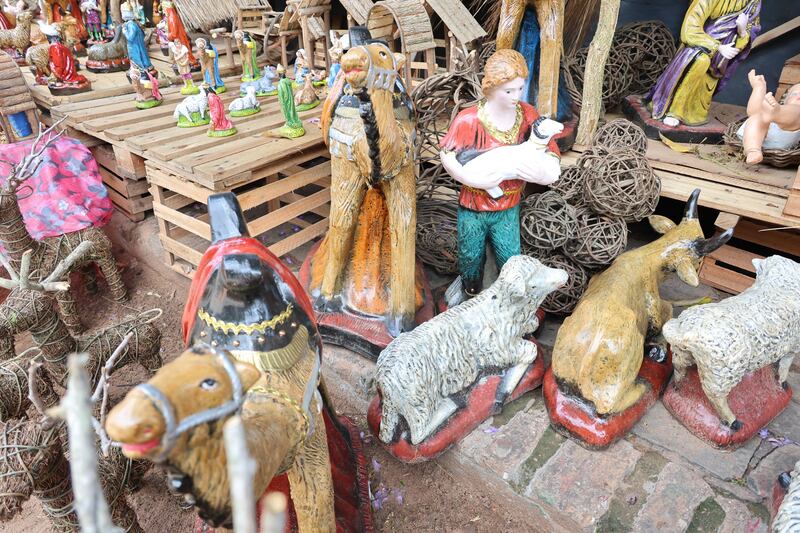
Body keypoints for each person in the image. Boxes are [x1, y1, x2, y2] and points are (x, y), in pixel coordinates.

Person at [439, 49, 561, 296]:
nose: (517, 96)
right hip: (473, 205)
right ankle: (470, 293)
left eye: (520, 88)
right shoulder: (469, 120)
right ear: (491, 88)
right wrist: (469, 177)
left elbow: (550, 152)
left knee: (510, 254)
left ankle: (507, 298)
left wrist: (543, 174)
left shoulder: (528, 115)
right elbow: (447, 154)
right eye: (508, 91)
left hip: (508, 206)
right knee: (470, 254)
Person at [648, 0, 761, 127]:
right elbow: (689, 29)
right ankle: (674, 111)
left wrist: (742, 32)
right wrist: (717, 47)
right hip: (700, 48)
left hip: (719, 61)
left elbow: (752, 30)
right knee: (701, 60)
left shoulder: (753, 3)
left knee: (702, 95)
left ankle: (691, 113)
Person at [740, 70, 800, 164]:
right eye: (794, 94)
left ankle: (778, 113)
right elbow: (753, 112)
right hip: (753, 134)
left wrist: (777, 111)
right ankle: (753, 151)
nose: (798, 96)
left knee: (797, 111)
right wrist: (758, 88)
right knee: (756, 116)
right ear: (784, 100)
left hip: (784, 133)